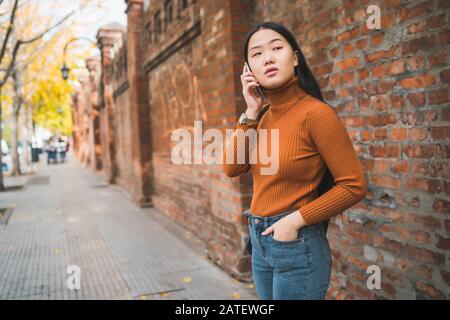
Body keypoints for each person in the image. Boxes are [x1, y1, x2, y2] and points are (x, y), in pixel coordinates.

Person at [222, 22, 368, 300]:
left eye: (277, 48)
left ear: (295, 57)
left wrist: (294, 222)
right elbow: (232, 167)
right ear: (248, 70)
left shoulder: (315, 114)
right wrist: (250, 112)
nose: (268, 58)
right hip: (260, 241)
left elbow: (354, 185)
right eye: (257, 54)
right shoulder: (261, 116)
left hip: (297, 243)